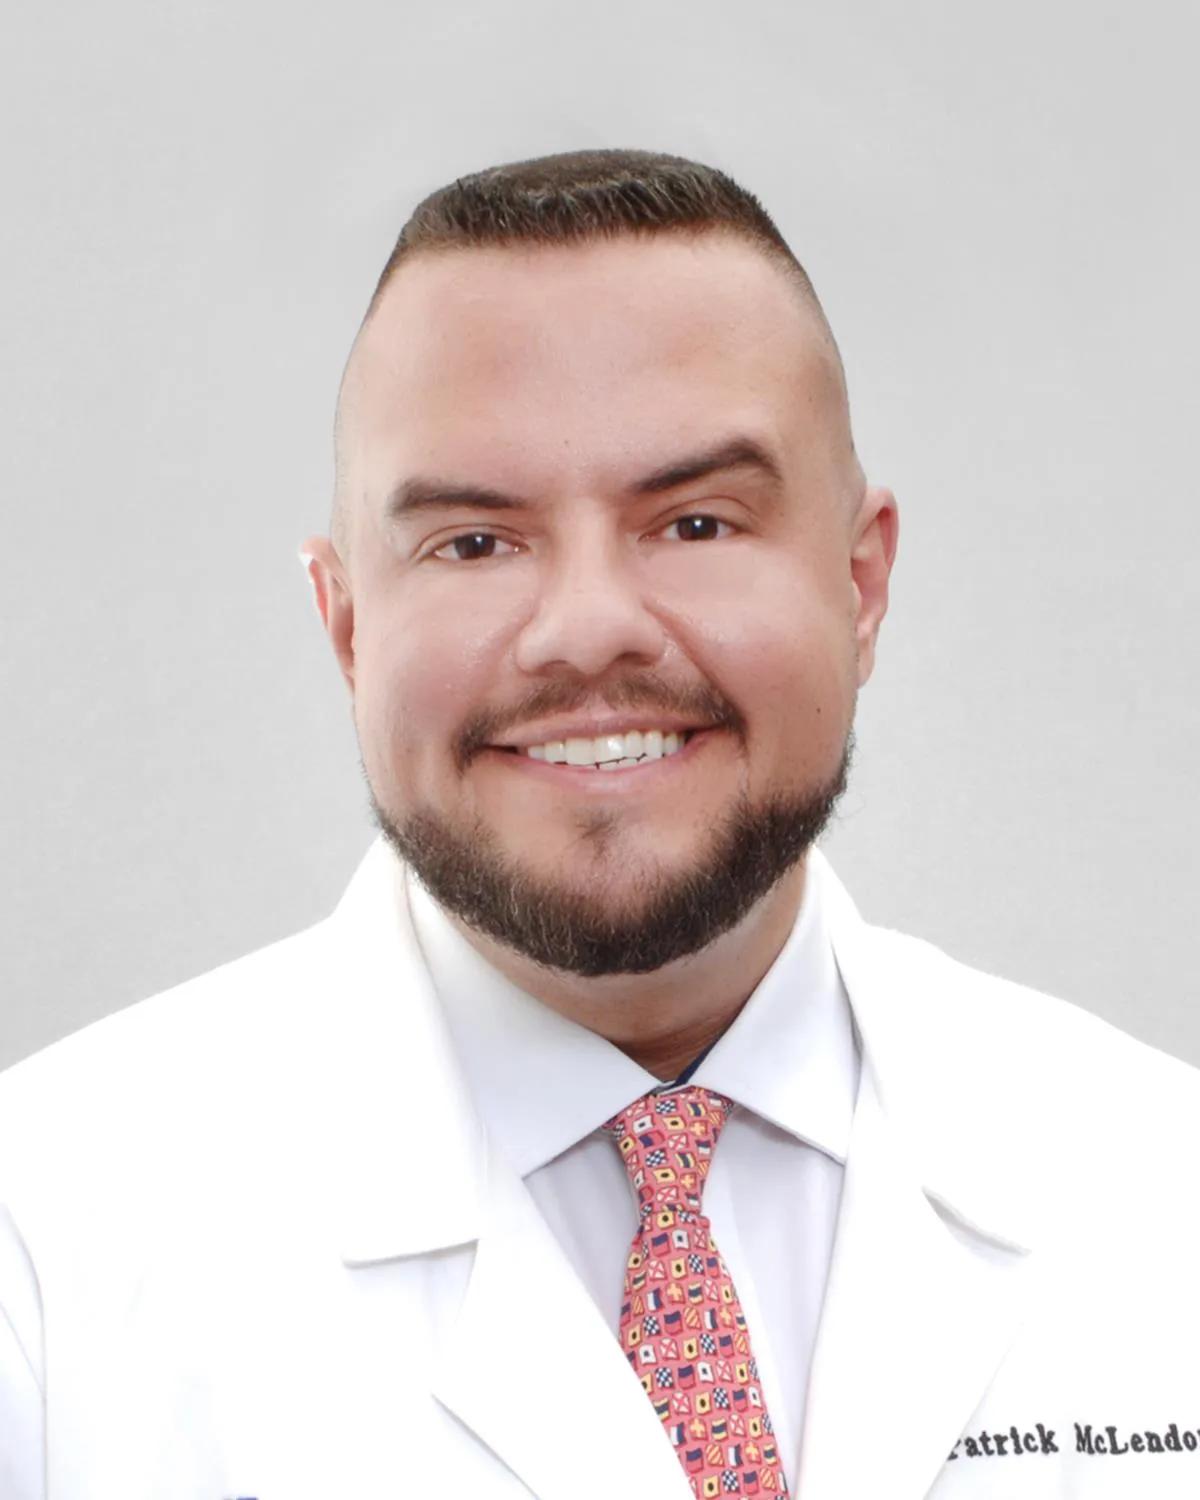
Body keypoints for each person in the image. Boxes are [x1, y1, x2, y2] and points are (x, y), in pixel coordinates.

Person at [2, 149, 1199, 1500]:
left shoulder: (1167, 1188)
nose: (587, 630)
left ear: (861, 585)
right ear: (347, 627)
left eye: (696, 522)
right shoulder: (41, 1249)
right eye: (474, 542)